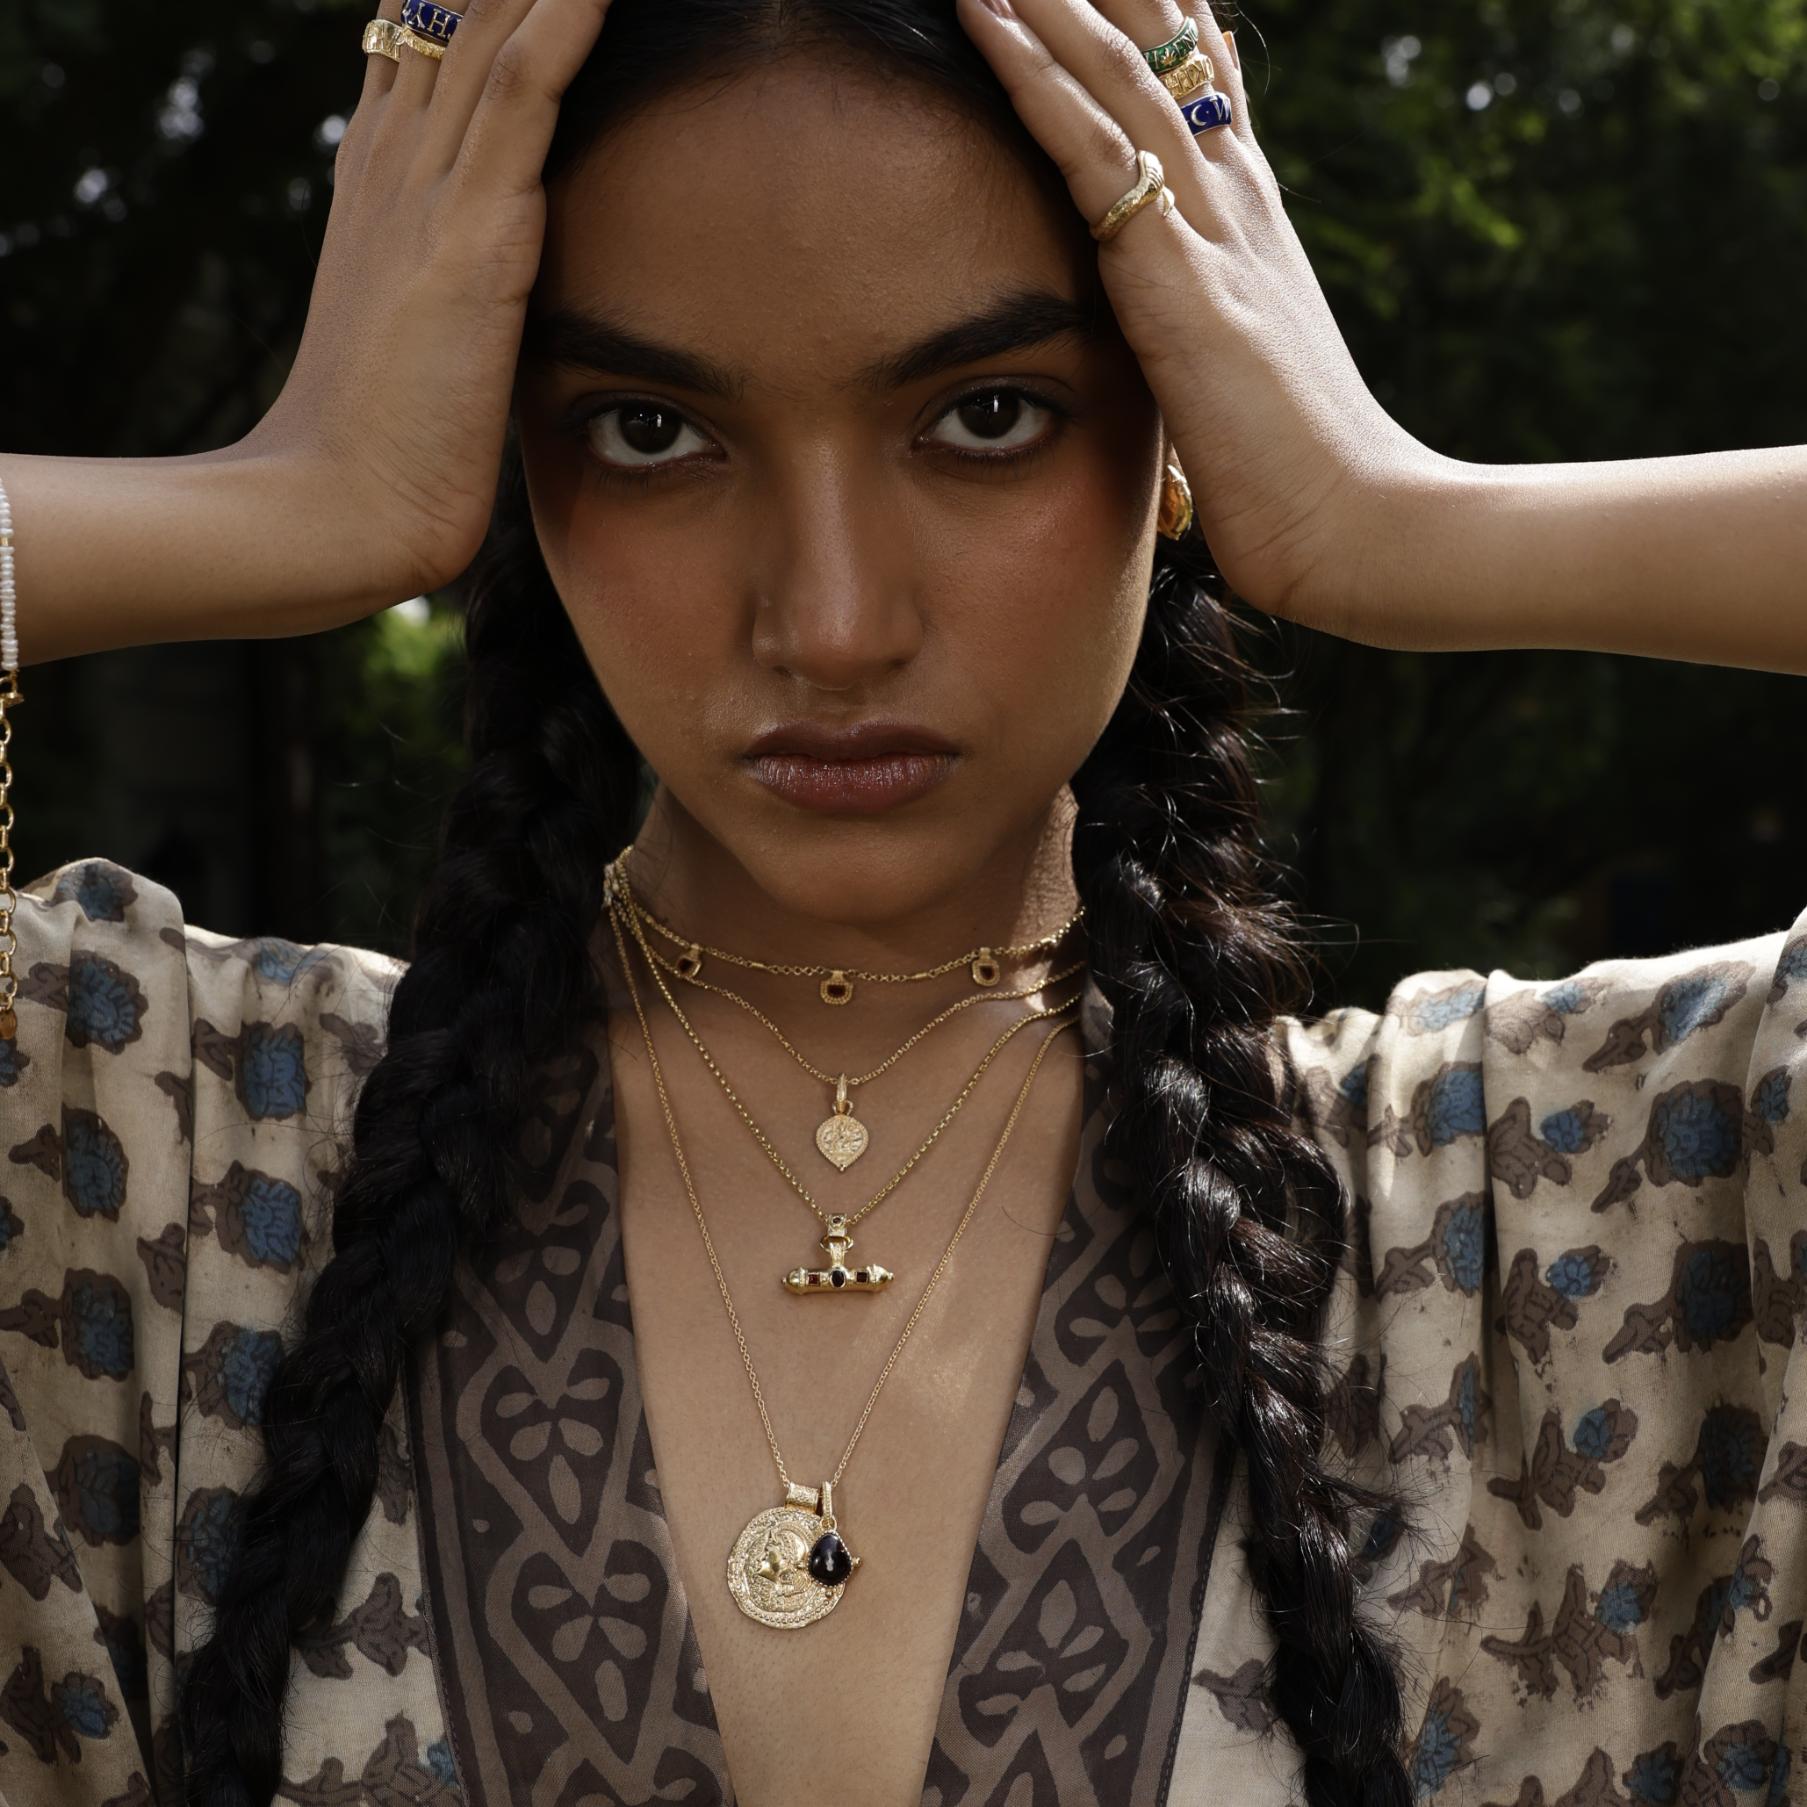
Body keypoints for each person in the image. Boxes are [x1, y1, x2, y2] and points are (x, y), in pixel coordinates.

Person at [0, 3, 1801, 1806]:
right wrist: (298, 499)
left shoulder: (1563, 1207)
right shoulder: (153, 1156)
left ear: (1186, 424)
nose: (833, 621)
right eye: (651, 429)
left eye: (986, 415)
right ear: (512, 452)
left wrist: (1406, 520)